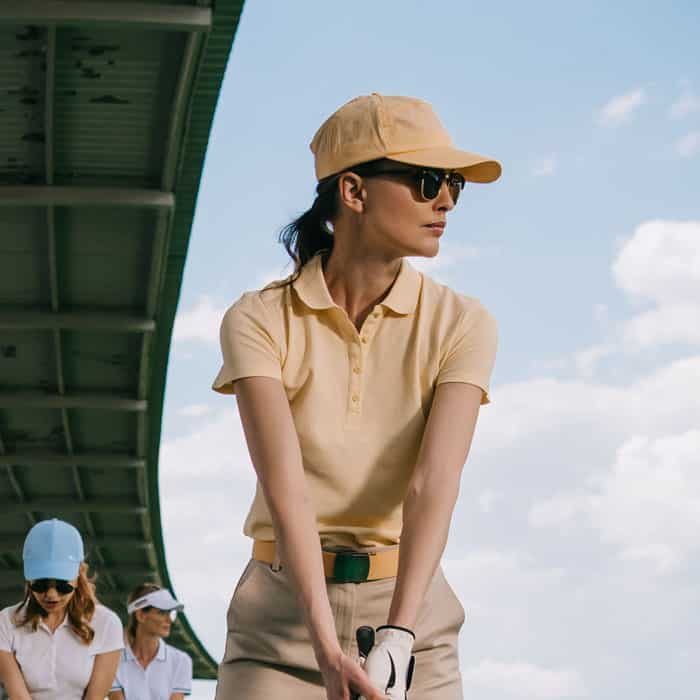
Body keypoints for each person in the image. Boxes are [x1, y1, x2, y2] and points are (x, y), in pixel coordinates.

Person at [211, 92, 501, 700]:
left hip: (411, 613)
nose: (445, 199)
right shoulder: (258, 319)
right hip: (280, 619)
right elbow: (285, 482)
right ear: (353, 191)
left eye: (453, 184)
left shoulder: (463, 323)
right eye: (426, 181)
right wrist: (322, 638)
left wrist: (398, 634)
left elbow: (433, 484)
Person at [0, 519, 124, 700]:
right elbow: (18, 695)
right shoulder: (5, 621)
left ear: (79, 573)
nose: (51, 595)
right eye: (40, 585)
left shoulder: (107, 624)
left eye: (62, 585)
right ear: (28, 578)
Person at [108, 584, 192, 700]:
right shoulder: (113, 661)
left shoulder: (181, 661)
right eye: (162, 613)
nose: (169, 620)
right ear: (141, 615)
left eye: (170, 613)